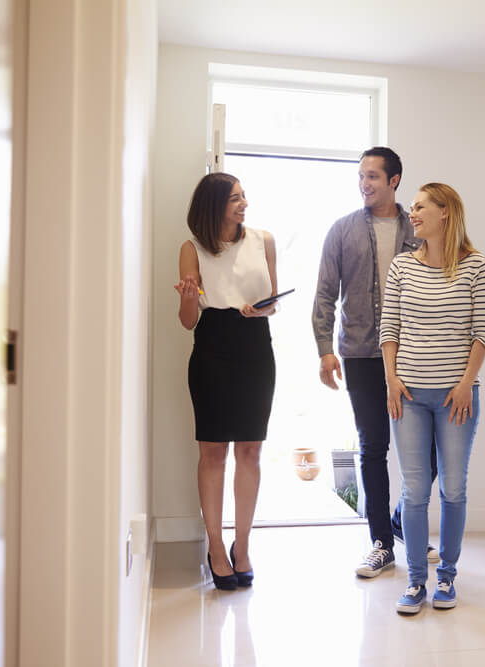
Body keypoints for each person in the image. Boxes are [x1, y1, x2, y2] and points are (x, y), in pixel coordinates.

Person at [312, 147, 438, 578]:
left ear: (394, 180)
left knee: (429, 449)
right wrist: (325, 349)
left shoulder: (419, 230)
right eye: (361, 176)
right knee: (372, 447)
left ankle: (400, 518)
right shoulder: (342, 230)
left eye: (373, 177)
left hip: (414, 353)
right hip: (362, 354)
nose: (364, 184)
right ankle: (381, 542)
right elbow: (325, 294)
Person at [379, 182, 485, 614]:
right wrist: (391, 380)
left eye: (420, 206)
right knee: (413, 491)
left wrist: (466, 384)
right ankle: (415, 582)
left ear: (445, 212)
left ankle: (446, 577)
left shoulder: (477, 266)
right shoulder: (402, 267)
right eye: (412, 207)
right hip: (407, 396)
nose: (412, 214)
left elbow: (484, 331)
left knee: (453, 488)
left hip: (456, 399)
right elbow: (389, 328)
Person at [175, 172, 278, 590]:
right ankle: (216, 547)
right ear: (214, 205)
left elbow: (272, 304)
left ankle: (243, 546)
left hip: (255, 346)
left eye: (243, 196)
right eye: (235, 198)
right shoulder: (192, 248)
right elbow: (188, 321)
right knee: (213, 450)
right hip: (212, 347)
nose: (244, 204)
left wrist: (261, 309)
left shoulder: (263, 240)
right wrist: (188, 297)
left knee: (250, 450)